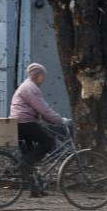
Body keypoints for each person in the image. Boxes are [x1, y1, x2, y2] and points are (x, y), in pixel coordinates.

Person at [9, 62, 69, 197]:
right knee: (48, 141)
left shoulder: (28, 86)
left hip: (20, 122)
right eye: (43, 75)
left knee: (30, 155)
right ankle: (25, 162)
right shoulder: (31, 88)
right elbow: (44, 109)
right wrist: (59, 120)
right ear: (37, 75)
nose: (45, 78)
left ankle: (35, 189)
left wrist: (50, 120)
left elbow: (41, 111)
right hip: (25, 122)